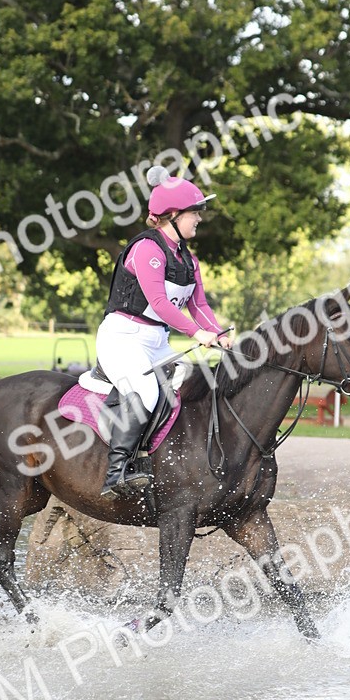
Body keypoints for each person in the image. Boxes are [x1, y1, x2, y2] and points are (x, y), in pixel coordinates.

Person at [96, 166, 233, 498]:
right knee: (146, 391)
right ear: (172, 215)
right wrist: (196, 334)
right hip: (122, 338)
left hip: (156, 341)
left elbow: (198, 305)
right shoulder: (147, 250)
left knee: (189, 385)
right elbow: (159, 302)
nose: (199, 218)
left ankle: (163, 462)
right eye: (194, 213)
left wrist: (219, 333)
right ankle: (116, 473)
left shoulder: (189, 260)